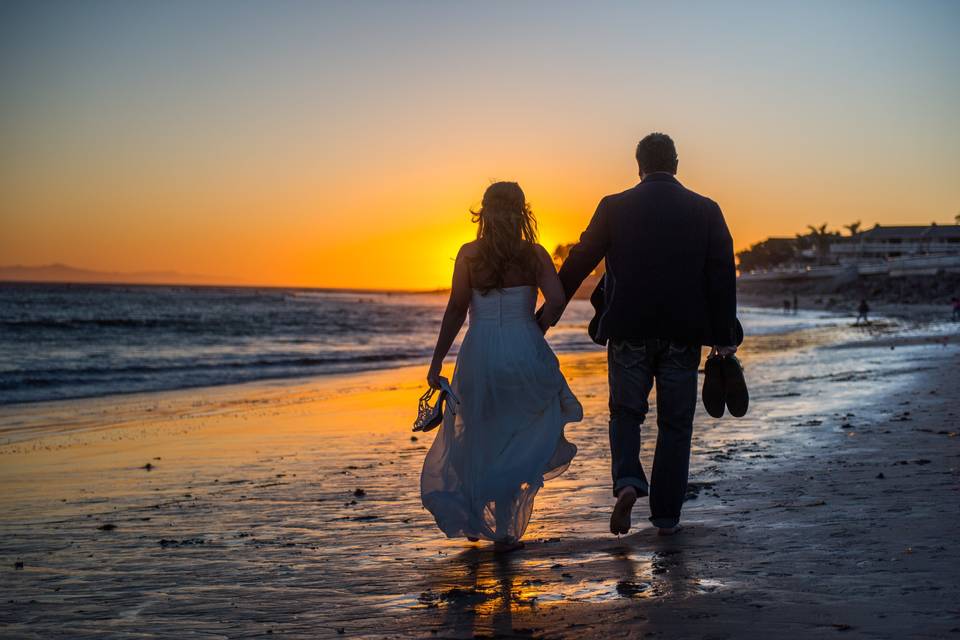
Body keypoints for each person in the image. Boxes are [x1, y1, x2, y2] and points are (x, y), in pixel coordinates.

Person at [549, 133, 738, 536]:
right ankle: (667, 516)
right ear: (676, 164)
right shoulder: (707, 210)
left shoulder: (614, 207)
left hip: (628, 329)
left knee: (626, 413)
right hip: (683, 333)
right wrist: (724, 335)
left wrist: (547, 314)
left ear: (638, 167)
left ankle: (628, 483)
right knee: (675, 422)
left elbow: (579, 260)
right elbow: (722, 275)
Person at [420, 181, 582, 553]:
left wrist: (435, 362)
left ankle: (475, 516)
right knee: (514, 436)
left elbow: (456, 310)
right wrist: (535, 327)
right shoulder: (535, 255)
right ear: (523, 212)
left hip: (480, 353)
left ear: (484, 212)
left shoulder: (469, 254)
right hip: (524, 350)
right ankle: (505, 530)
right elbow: (556, 299)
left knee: (477, 432)